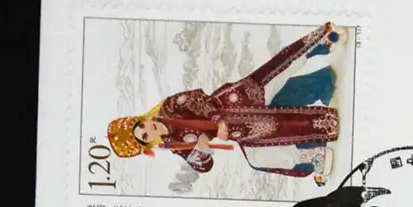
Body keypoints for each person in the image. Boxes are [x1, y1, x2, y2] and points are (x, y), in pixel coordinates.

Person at [107, 26, 345, 180]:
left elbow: (197, 99)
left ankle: (321, 42)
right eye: (145, 135)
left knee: (278, 72)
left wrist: (217, 119)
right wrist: (202, 151)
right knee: (257, 158)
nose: (148, 128)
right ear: (148, 144)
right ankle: (313, 155)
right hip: (236, 130)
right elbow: (203, 166)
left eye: (142, 125)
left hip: (233, 103)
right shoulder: (174, 144)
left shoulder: (169, 106)